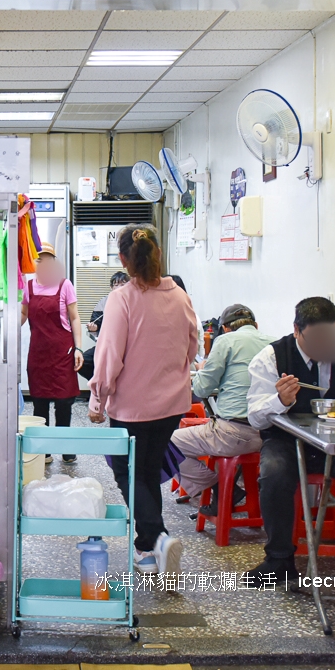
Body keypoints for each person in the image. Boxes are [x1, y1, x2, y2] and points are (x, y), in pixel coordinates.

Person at [245, 296, 335, 586]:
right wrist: (279, 400)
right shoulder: (271, 357)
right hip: (287, 440)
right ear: (297, 330)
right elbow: (255, 417)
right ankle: (279, 560)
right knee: (274, 471)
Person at [89, 224, 202, 576]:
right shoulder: (180, 295)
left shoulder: (122, 298)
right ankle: (145, 549)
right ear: (158, 253)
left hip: (133, 407)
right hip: (172, 406)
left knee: (127, 471)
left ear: (124, 259)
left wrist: (98, 402)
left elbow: (108, 356)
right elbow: (193, 346)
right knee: (148, 470)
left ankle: (158, 536)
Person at [170, 304, 274, 514]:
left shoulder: (226, 341)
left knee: (164, 445)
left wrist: (201, 371)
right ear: (255, 325)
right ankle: (231, 491)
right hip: (271, 435)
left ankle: (220, 488)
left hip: (234, 434)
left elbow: (202, 387)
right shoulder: (274, 343)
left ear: (225, 328)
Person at [21, 246, 83, 463]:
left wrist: (78, 348)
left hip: (62, 351)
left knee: (64, 403)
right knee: (39, 403)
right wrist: (4, 333)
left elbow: (74, 317)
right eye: (40, 261)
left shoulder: (65, 285)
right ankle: (45, 450)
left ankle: (65, 447)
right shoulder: (28, 287)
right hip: (38, 353)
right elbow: (23, 313)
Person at [79, 271, 129, 381]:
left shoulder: (134, 302)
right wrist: (94, 328)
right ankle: (100, 384)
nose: (119, 288)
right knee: (82, 361)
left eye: (123, 284)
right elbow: (96, 324)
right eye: (116, 285)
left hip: (128, 348)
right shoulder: (104, 302)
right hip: (107, 345)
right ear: (111, 287)